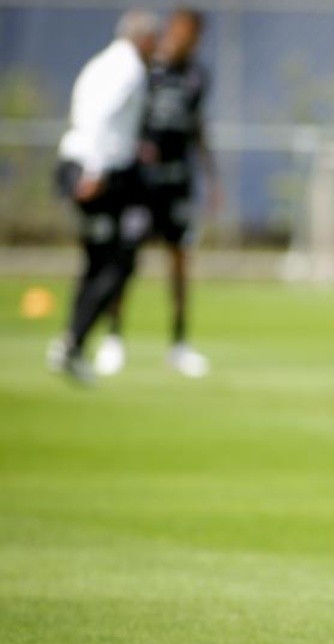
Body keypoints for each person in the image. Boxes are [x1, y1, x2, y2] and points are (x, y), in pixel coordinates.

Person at [91, 7, 218, 379]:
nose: (187, 40)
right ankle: (113, 339)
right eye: (183, 32)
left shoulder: (198, 76)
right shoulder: (145, 69)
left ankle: (178, 344)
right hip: (141, 182)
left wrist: (212, 179)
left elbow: (197, 129)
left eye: (194, 36)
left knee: (179, 262)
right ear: (172, 30)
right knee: (125, 258)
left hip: (178, 182)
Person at [49, 9, 160, 383]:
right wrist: (94, 171)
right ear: (142, 38)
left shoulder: (102, 61)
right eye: (154, 40)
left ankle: (73, 344)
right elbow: (98, 116)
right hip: (96, 172)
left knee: (98, 260)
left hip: (91, 165)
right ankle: (72, 343)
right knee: (117, 262)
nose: (156, 48)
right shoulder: (127, 68)